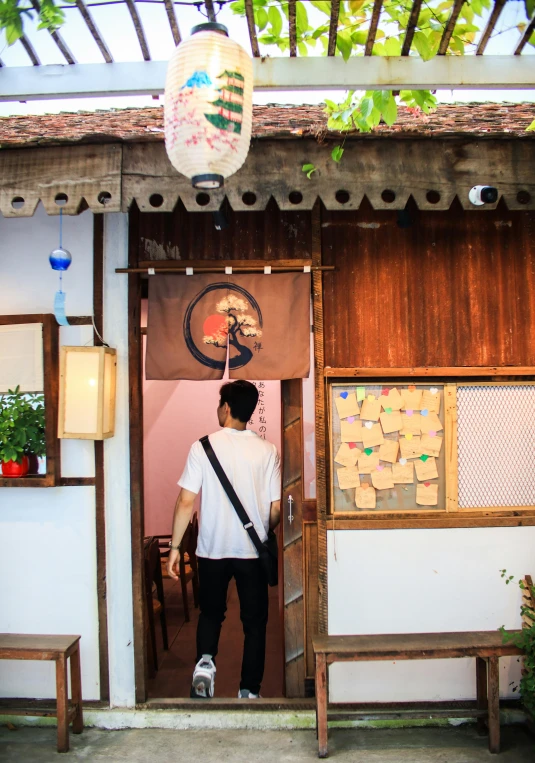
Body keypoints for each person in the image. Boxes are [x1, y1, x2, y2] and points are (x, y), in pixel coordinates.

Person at [167, 379, 281, 699]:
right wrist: (263, 530)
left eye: (220, 404)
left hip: (212, 551)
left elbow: (186, 501)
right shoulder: (268, 450)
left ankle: (205, 665)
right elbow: (274, 508)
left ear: (227, 408)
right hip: (251, 553)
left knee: (211, 614)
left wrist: (175, 547)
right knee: (255, 623)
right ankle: (249, 690)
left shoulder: (202, 447)